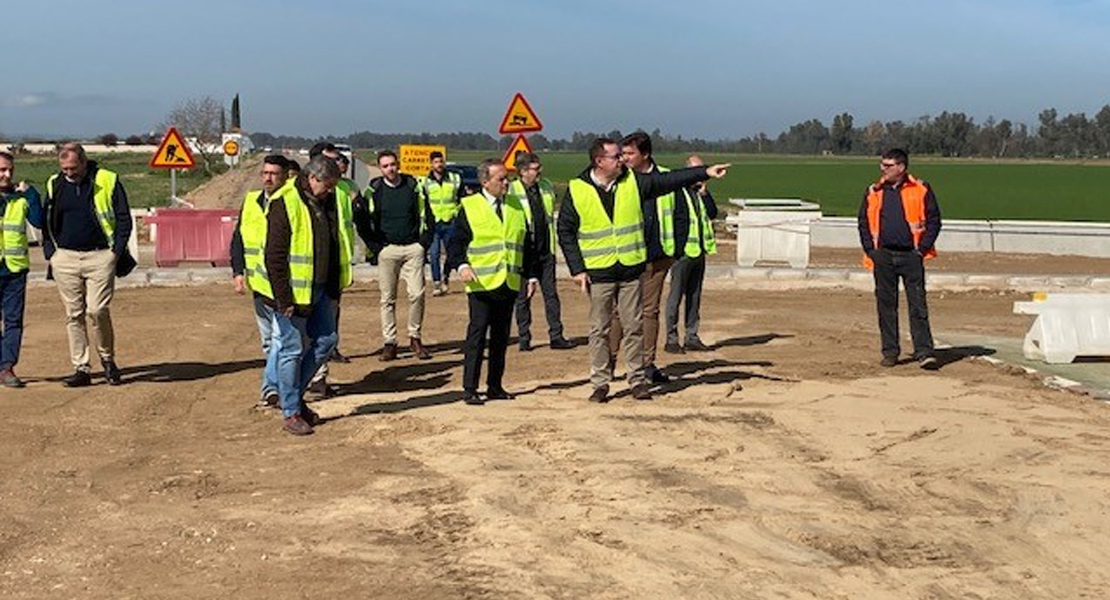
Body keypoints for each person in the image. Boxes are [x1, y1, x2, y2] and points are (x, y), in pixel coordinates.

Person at [557, 137, 729, 403]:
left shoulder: (634, 182)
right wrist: (577, 268)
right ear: (599, 161)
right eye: (616, 157)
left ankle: (637, 379)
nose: (622, 160)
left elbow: (669, 181)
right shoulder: (578, 188)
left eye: (623, 155)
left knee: (634, 325)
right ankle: (600, 382)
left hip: (630, 268)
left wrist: (704, 172)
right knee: (599, 328)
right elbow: (565, 230)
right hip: (598, 271)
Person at [264, 155, 352, 435]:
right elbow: (274, 255)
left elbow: (336, 241)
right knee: (291, 348)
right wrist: (284, 298)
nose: (330, 191)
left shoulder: (330, 199)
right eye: (327, 186)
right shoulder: (285, 201)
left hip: (323, 287)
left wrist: (335, 286)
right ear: (312, 179)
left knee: (327, 340)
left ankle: (293, 398)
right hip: (292, 293)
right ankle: (291, 412)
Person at [447, 159, 539, 405]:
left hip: (508, 282)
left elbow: (525, 245)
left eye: (507, 178)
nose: (506, 183)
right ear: (485, 182)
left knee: (501, 337)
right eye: (501, 179)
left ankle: (495, 386)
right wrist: (461, 265)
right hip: (481, 283)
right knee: (477, 336)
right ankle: (470, 388)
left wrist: (530, 275)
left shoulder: (516, 207)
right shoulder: (470, 206)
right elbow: (456, 242)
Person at [43, 143, 133, 387]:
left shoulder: (108, 180)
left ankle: (107, 359)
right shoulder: (55, 184)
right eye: (64, 169)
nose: (69, 173)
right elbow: (46, 219)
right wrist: (51, 253)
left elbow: (124, 218)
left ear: (84, 162)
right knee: (74, 315)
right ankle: (81, 367)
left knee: (97, 310)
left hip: (100, 256)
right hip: (66, 258)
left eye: (73, 168)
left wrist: (115, 252)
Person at [608, 132, 689, 384]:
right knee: (619, 312)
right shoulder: (619, 180)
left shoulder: (665, 178)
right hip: (625, 257)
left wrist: (674, 252)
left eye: (630, 154)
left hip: (657, 257)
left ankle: (646, 365)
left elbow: (681, 215)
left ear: (645, 155)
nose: (625, 158)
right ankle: (608, 362)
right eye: (622, 154)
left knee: (649, 312)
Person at [857, 148, 942, 370]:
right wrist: (870, 250)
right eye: (882, 164)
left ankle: (924, 351)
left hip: (911, 256)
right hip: (883, 256)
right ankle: (890, 352)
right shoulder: (873, 191)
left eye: (888, 165)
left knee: (917, 305)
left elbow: (934, 220)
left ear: (901, 167)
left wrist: (921, 250)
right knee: (886, 306)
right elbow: (863, 222)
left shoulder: (921, 189)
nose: (882, 169)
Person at [359, 150, 435, 361]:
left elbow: (428, 215)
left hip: (413, 248)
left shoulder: (413, 187)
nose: (390, 169)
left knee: (417, 294)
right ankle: (390, 342)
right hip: (387, 250)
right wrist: (376, 247)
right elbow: (363, 221)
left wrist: (424, 242)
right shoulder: (374, 190)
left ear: (398, 164)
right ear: (380, 168)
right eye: (385, 166)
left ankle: (415, 337)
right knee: (387, 299)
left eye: (392, 164)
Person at [229, 154, 290, 408]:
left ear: (285, 176)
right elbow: (239, 239)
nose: (268, 178)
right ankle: (277, 382)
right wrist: (238, 271)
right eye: (265, 173)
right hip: (259, 282)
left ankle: (271, 388)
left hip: (284, 283)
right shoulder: (252, 201)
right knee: (269, 340)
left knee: (280, 338)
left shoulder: (291, 201)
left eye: (274, 173)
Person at [508, 151, 575, 352]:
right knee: (522, 298)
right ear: (523, 171)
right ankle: (524, 337)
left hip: (545, 250)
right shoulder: (511, 190)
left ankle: (556, 335)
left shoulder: (545, 186)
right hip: (522, 251)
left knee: (551, 294)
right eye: (536, 169)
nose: (540, 172)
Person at [664, 154, 718, 353]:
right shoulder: (678, 193)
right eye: (695, 170)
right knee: (675, 297)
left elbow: (712, 213)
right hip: (682, 254)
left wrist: (705, 193)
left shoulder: (699, 194)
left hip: (699, 252)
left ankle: (691, 336)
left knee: (694, 298)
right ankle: (671, 339)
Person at [0, 151, 45, 388]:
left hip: (15, 270)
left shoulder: (21, 198)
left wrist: (31, 195)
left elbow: (39, 221)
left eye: (10, 170)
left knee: (13, 322)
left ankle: (6, 367)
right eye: (2, 170)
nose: (7, 175)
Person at [421, 151, 462, 296]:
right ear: (431, 164)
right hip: (434, 223)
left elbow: (461, 198)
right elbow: (423, 202)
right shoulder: (425, 182)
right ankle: (437, 283)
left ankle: (446, 277)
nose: (439, 165)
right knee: (434, 254)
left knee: (451, 253)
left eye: (441, 161)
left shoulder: (454, 179)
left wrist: (457, 215)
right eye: (436, 162)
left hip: (450, 221)